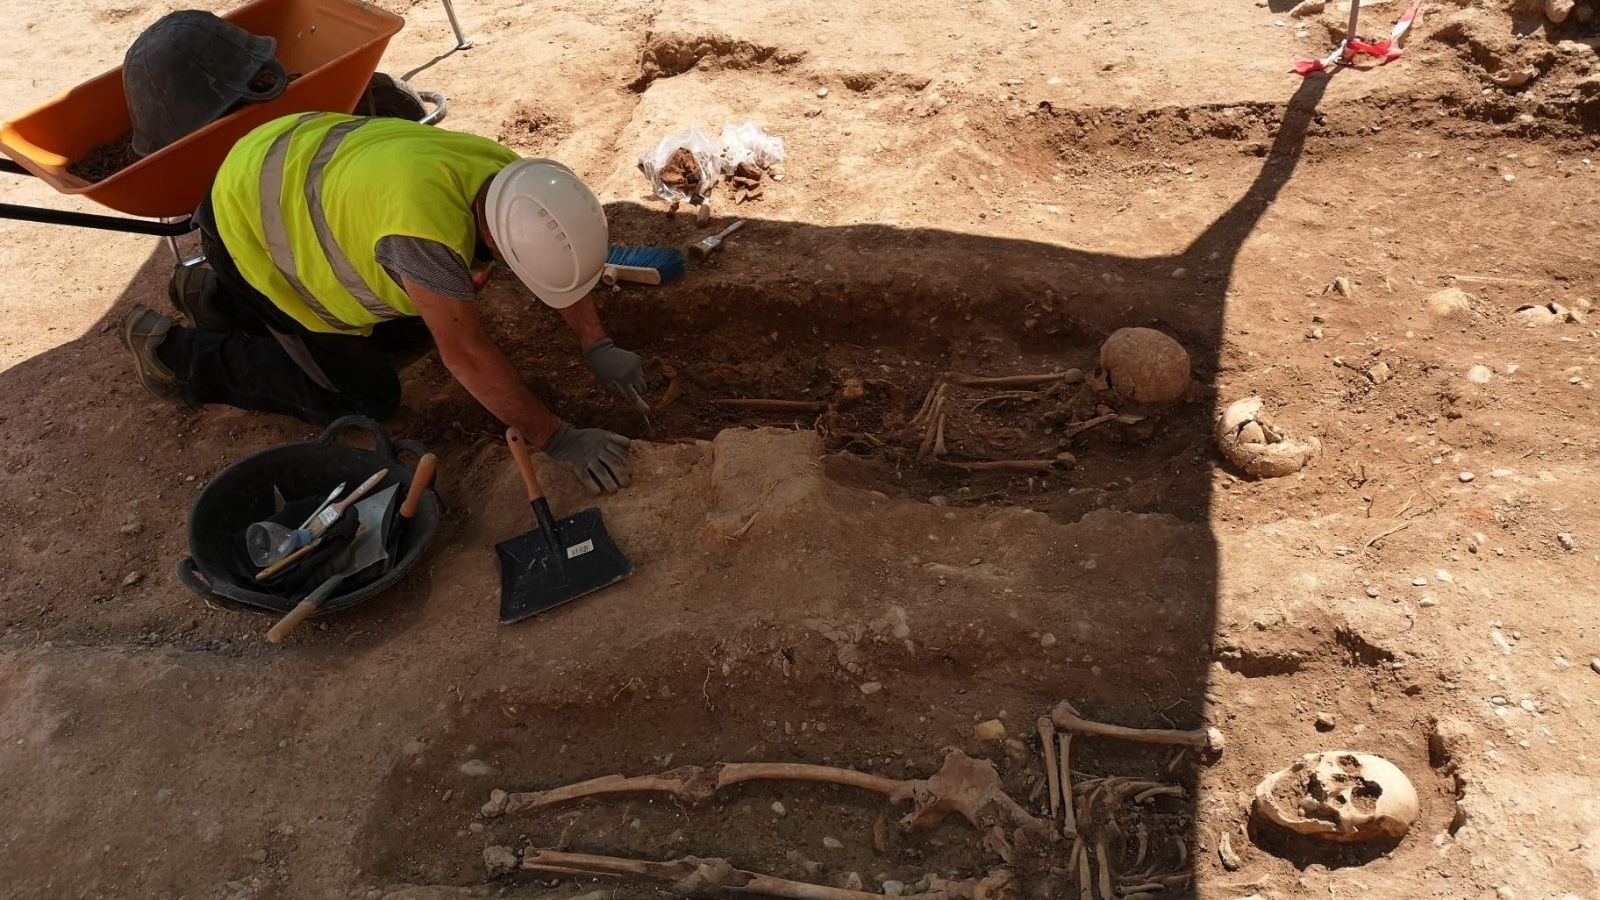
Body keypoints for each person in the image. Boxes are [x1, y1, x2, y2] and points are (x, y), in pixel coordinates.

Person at [118, 112, 644, 494]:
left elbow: (562, 251)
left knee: (414, 324)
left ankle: (213, 293)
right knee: (366, 395)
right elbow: (464, 354)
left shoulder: (515, 181)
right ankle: (175, 355)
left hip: (279, 164)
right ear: (496, 235)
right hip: (247, 223)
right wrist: (556, 437)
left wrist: (596, 342)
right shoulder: (424, 240)